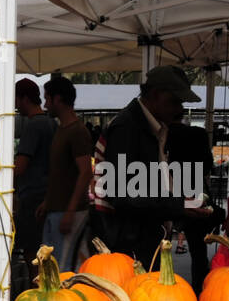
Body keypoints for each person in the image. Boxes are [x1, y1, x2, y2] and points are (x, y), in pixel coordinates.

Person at [90, 65, 212, 267]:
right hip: (125, 243)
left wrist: (179, 202)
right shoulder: (127, 129)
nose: (179, 109)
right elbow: (121, 193)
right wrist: (177, 205)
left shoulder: (152, 127)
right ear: (155, 95)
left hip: (140, 237)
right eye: (175, 102)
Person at [38, 77, 93, 271]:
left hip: (71, 212)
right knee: (52, 268)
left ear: (58, 99)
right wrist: (48, 201)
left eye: (47, 99)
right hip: (58, 209)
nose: (45, 104)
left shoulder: (77, 131)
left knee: (65, 269)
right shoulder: (62, 129)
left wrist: (70, 211)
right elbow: (62, 172)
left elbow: (86, 172)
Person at [167, 120, 220, 292]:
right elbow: (207, 164)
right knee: (198, 249)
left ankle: (163, 284)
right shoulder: (198, 134)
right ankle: (200, 288)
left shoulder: (170, 134)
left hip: (172, 186)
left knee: (162, 239)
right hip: (194, 186)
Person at [14, 78, 55, 265]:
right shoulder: (51, 123)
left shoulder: (33, 125)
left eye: (15, 99)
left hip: (33, 199)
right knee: (45, 252)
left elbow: (20, 166)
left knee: (32, 254)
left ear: (23, 99)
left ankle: (34, 290)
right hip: (48, 196)